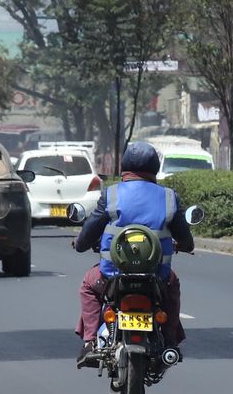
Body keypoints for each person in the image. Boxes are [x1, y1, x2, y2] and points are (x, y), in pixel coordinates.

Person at [71, 142, 195, 368]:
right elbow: (186, 240)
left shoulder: (112, 194)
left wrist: (79, 244)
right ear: (155, 167)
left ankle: (90, 342)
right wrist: (184, 245)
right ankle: (169, 341)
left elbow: (91, 229)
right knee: (172, 286)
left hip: (111, 276)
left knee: (88, 285)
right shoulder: (169, 197)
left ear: (124, 166)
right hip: (157, 276)